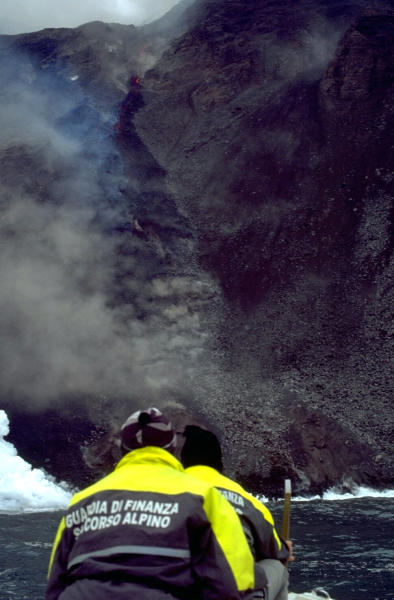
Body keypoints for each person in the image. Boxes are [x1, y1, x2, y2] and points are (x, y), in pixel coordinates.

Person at [46, 407, 255, 600]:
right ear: (173, 448)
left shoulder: (82, 500)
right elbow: (234, 577)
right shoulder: (201, 495)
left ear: (123, 450)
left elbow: (55, 583)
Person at [180, 425, 293, 600]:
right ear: (219, 462)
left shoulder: (167, 493)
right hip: (232, 594)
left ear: (183, 461)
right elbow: (277, 551)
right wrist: (285, 548)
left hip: (176, 590)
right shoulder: (248, 501)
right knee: (276, 565)